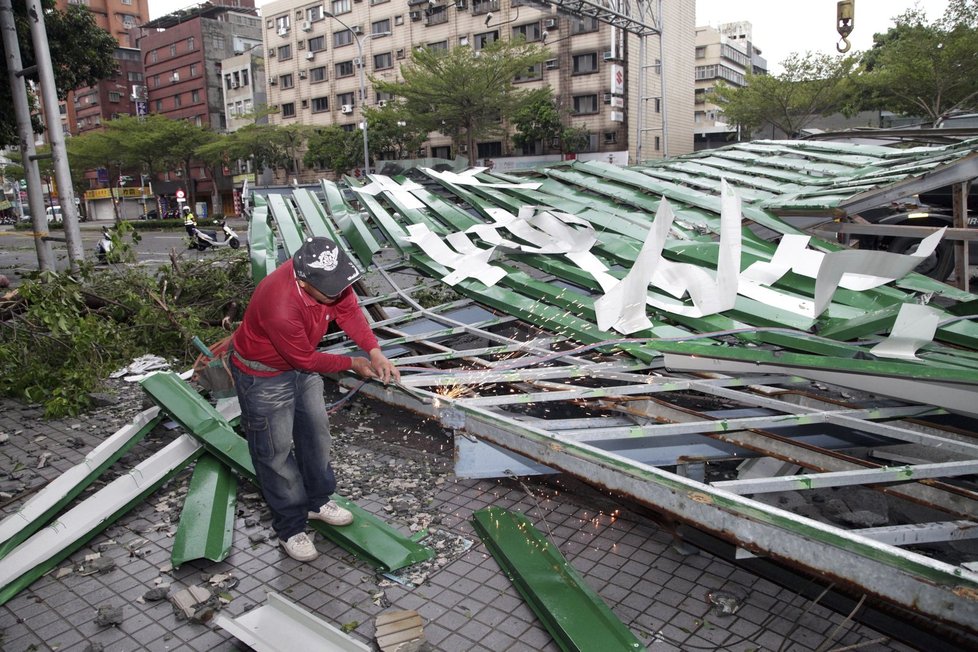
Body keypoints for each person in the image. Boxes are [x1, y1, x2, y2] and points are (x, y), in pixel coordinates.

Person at [229, 237, 399, 561]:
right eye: (329, 291)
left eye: (340, 286)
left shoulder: (330, 281)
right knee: (275, 452)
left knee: (316, 434)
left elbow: (349, 313)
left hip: (300, 366)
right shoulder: (280, 303)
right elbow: (306, 360)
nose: (337, 293)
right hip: (263, 375)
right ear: (304, 281)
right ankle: (291, 528)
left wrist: (374, 351)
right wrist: (354, 363)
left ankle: (317, 502)